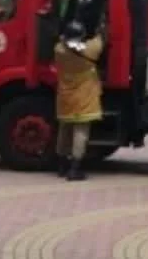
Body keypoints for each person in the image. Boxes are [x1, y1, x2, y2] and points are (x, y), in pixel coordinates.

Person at [54, 17, 105, 182]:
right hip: (84, 98)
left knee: (64, 131)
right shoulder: (90, 49)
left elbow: (62, 41)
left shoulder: (59, 50)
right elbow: (100, 38)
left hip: (66, 97)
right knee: (80, 133)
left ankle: (61, 165)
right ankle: (75, 169)